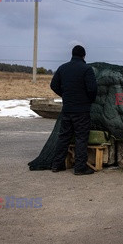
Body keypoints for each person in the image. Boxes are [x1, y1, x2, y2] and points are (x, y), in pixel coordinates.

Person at [50, 45, 98, 175]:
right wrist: (89, 100)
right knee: (81, 138)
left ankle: (57, 165)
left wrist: (65, 95)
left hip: (67, 109)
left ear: (72, 54)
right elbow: (92, 89)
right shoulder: (87, 69)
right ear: (84, 56)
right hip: (82, 110)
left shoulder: (62, 68)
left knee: (64, 137)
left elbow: (53, 85)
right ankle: (80, 168)